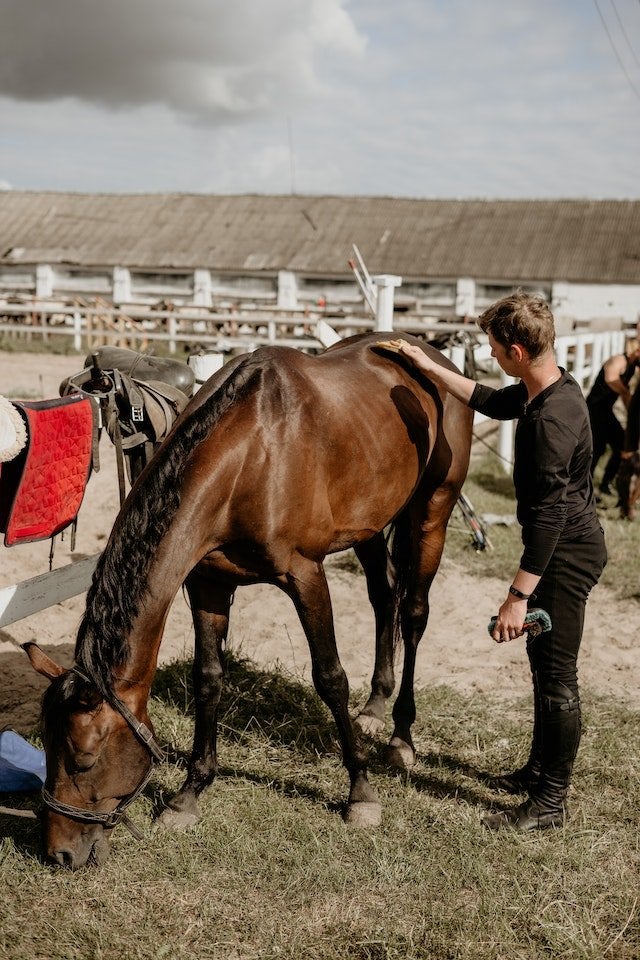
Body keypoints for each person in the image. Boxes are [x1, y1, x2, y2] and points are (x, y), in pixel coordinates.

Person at [398, 292, 607, 832]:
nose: (492, 358)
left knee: (558, 677)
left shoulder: (549, 423)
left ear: (516, 350)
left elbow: (550, 519)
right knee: (543, 668)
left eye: (494, 350)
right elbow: (491, 400)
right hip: (560, 548)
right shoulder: (550, 388)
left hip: (565, 554)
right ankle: (538, 772)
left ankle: (550, 803)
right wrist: (427, 365)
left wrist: (516, 597)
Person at [586, 339, 640, 496]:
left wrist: (633, 413)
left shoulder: (630, 369)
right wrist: (625, 391)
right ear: (636, 352)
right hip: (594, 410)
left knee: (622, 445)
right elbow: (610, 378)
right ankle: (584, 488)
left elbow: (626, 398)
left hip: (606, 412)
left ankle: (605, 483)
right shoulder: (618, 360)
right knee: (596, 450)